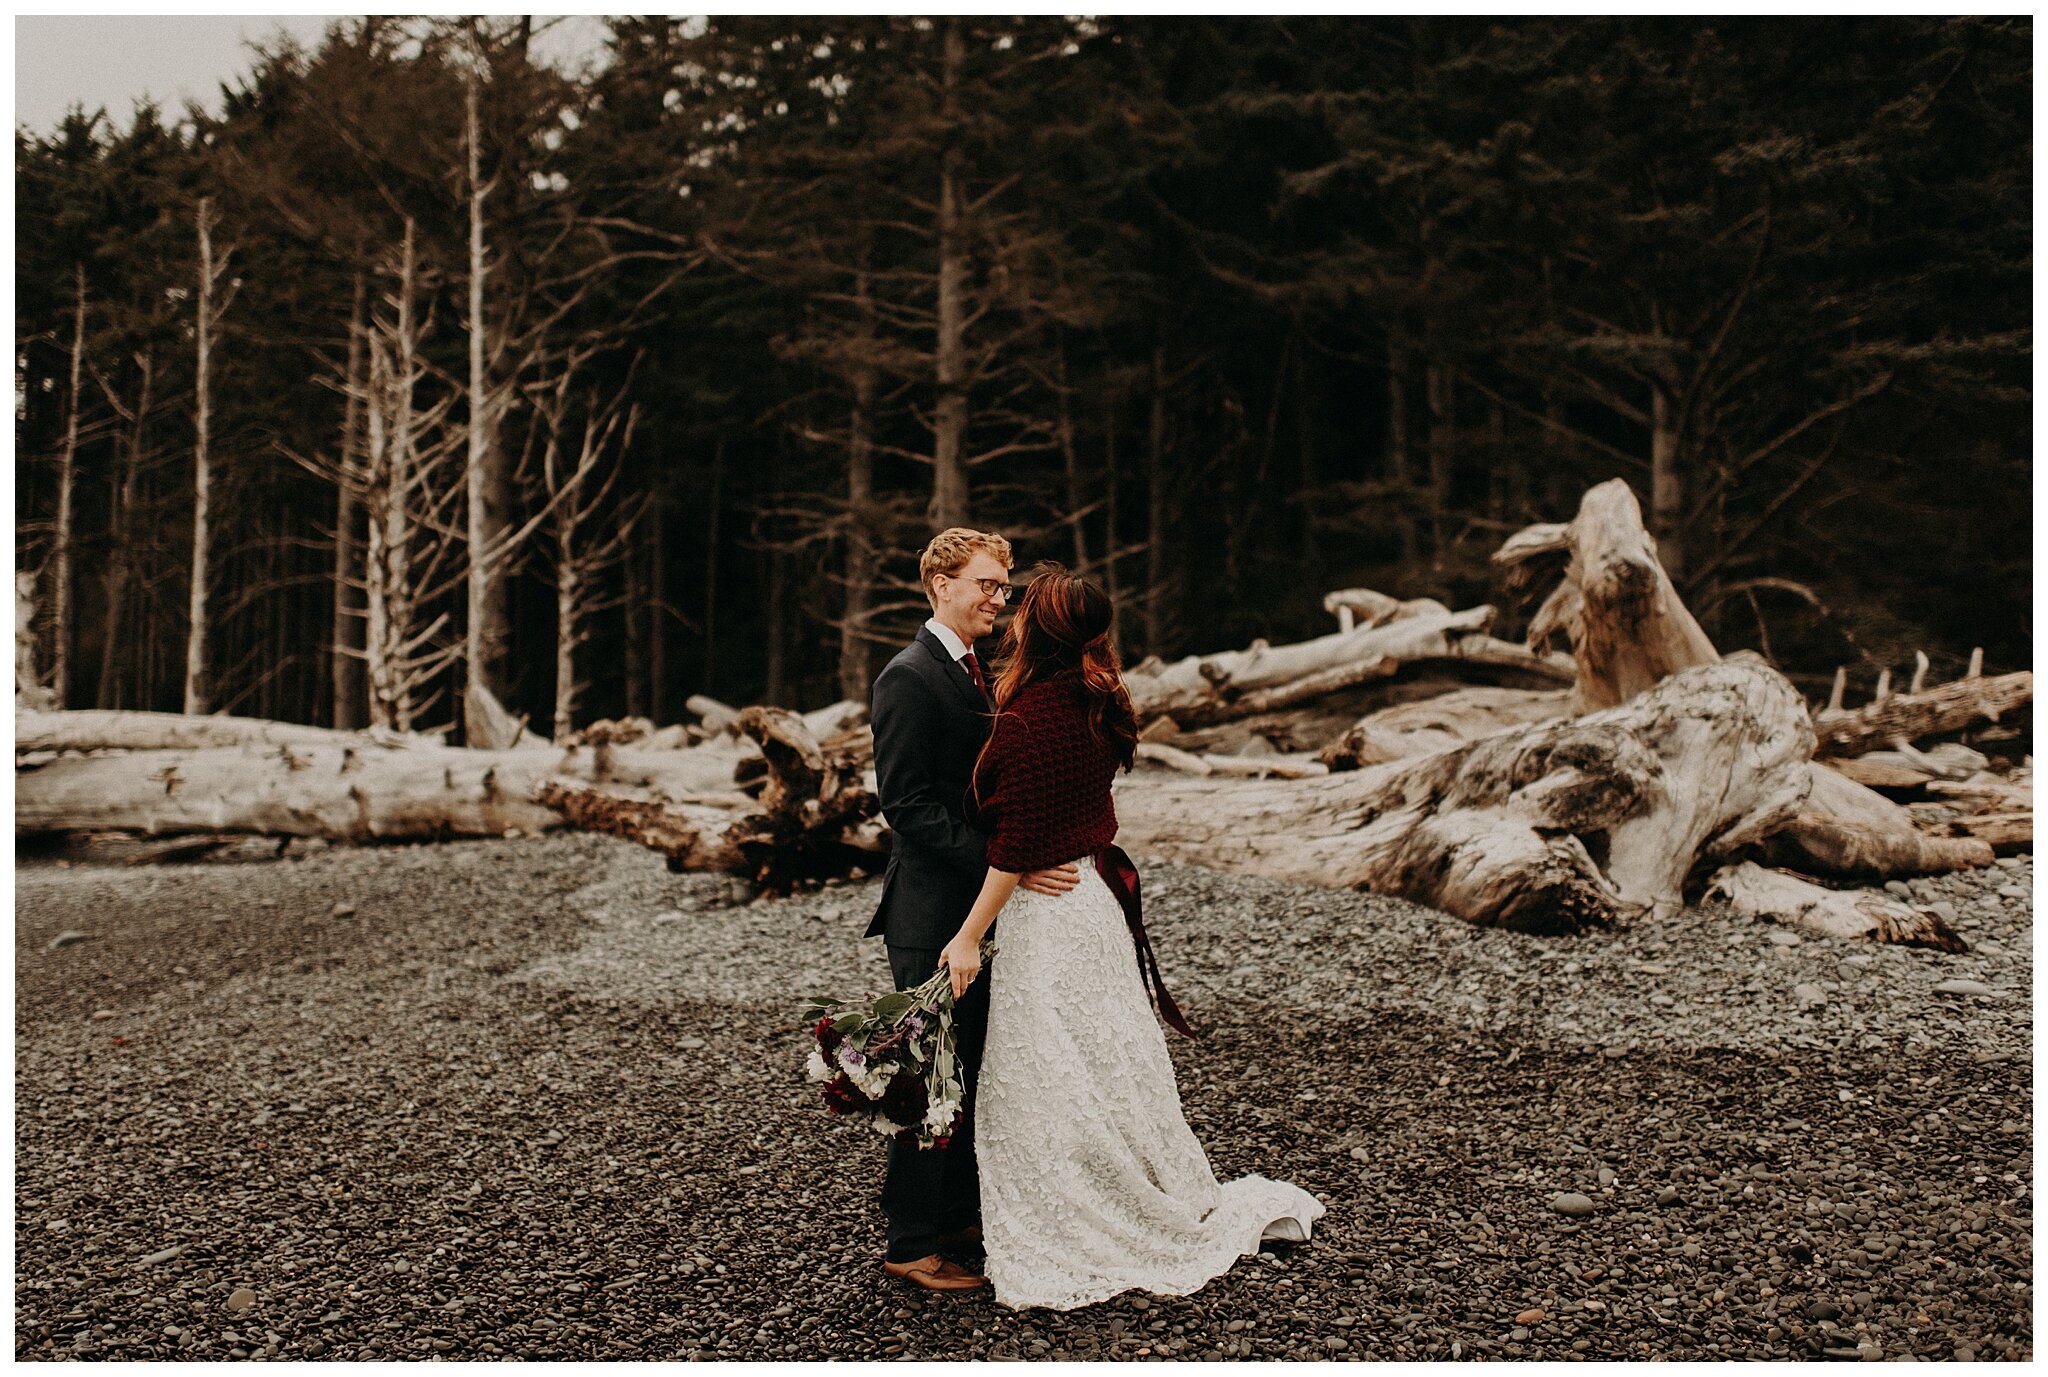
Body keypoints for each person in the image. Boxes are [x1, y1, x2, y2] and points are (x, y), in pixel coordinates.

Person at [939, 561, 1325, 1312]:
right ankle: (1140, 1181)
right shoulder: (1099, 700)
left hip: (1052, 918)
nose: (1009, 615)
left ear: (1037, 628)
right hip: (1095, 907)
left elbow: (1014, 849)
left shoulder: (1026, 720)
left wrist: (965, 936)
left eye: (1020, 608)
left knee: (1050, 1073)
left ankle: (1084, 1209)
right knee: (1107, 1058)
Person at [865, 529, 1080, 1293]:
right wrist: (1005, 863)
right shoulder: (908, 677)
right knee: (930, 1077)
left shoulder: (975, 670)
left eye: (1004, 585)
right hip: (929, 916)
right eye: (986, 584)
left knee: (974, 1066)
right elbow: (907, 807)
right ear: (941, 583)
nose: (999, 597)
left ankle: (956, 1215)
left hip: (975, 913)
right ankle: (912, 1241)